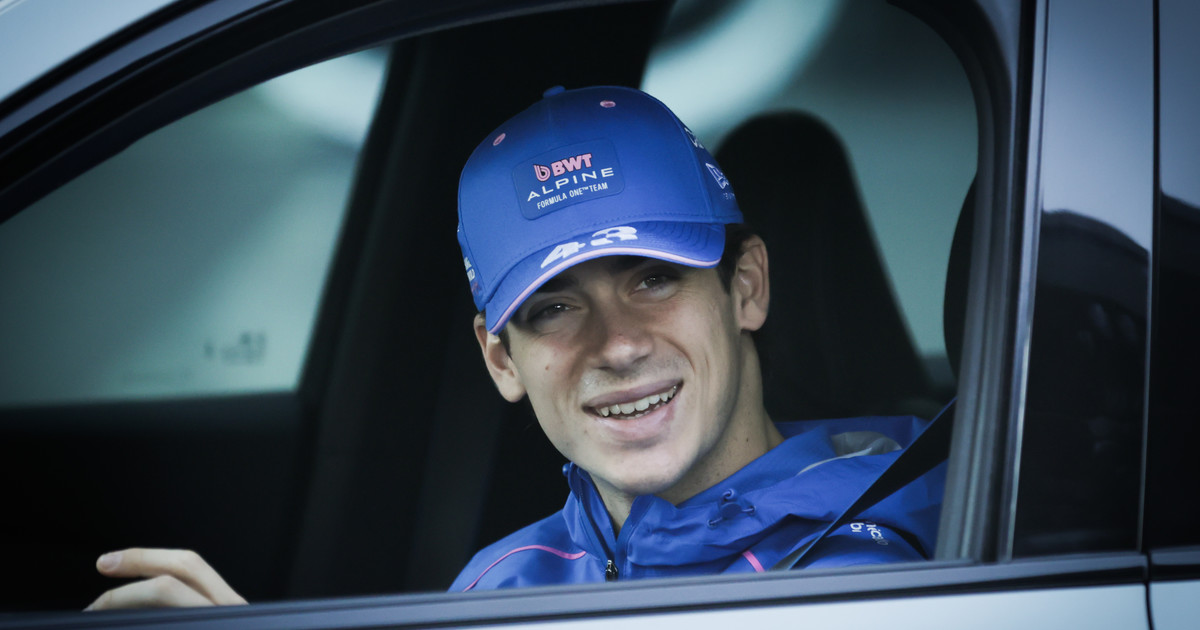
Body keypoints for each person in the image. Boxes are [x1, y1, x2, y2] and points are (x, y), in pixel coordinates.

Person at [84, 85, 943, 608]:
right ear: (501, 360)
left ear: (745, 287)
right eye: (555, 308)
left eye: (653, 279)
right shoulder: (502, 585)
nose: (617, 345)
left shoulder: (899, 555)